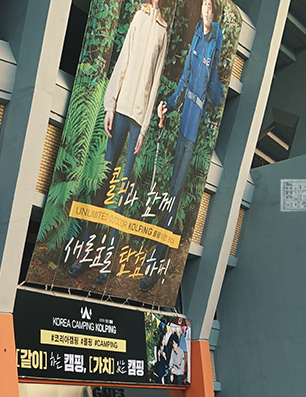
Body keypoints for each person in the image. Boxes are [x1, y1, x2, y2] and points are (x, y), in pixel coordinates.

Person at [68, 0, 168, 281]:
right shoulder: (138, 18)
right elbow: (123, 60)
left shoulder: (163, 31)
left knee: (122, 192)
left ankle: (106, 260)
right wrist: (110, 105)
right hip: (121, 108)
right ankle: (85, 252)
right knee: (103, 183)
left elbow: (156, 81)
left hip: (138, 118)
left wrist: (145, 128)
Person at [141, 0, 225, 292]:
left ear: (214, 13)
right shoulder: (197, 39)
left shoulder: (214, 41)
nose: (205, 10)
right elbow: (185, 79)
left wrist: (212, 73)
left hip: (193, 135)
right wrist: (169, 103)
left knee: (175, 194)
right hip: (180, 125)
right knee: (166, 191)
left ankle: (157, 261)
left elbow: (216, 96)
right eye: (204, 6)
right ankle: (151, 251)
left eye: (209, 7)